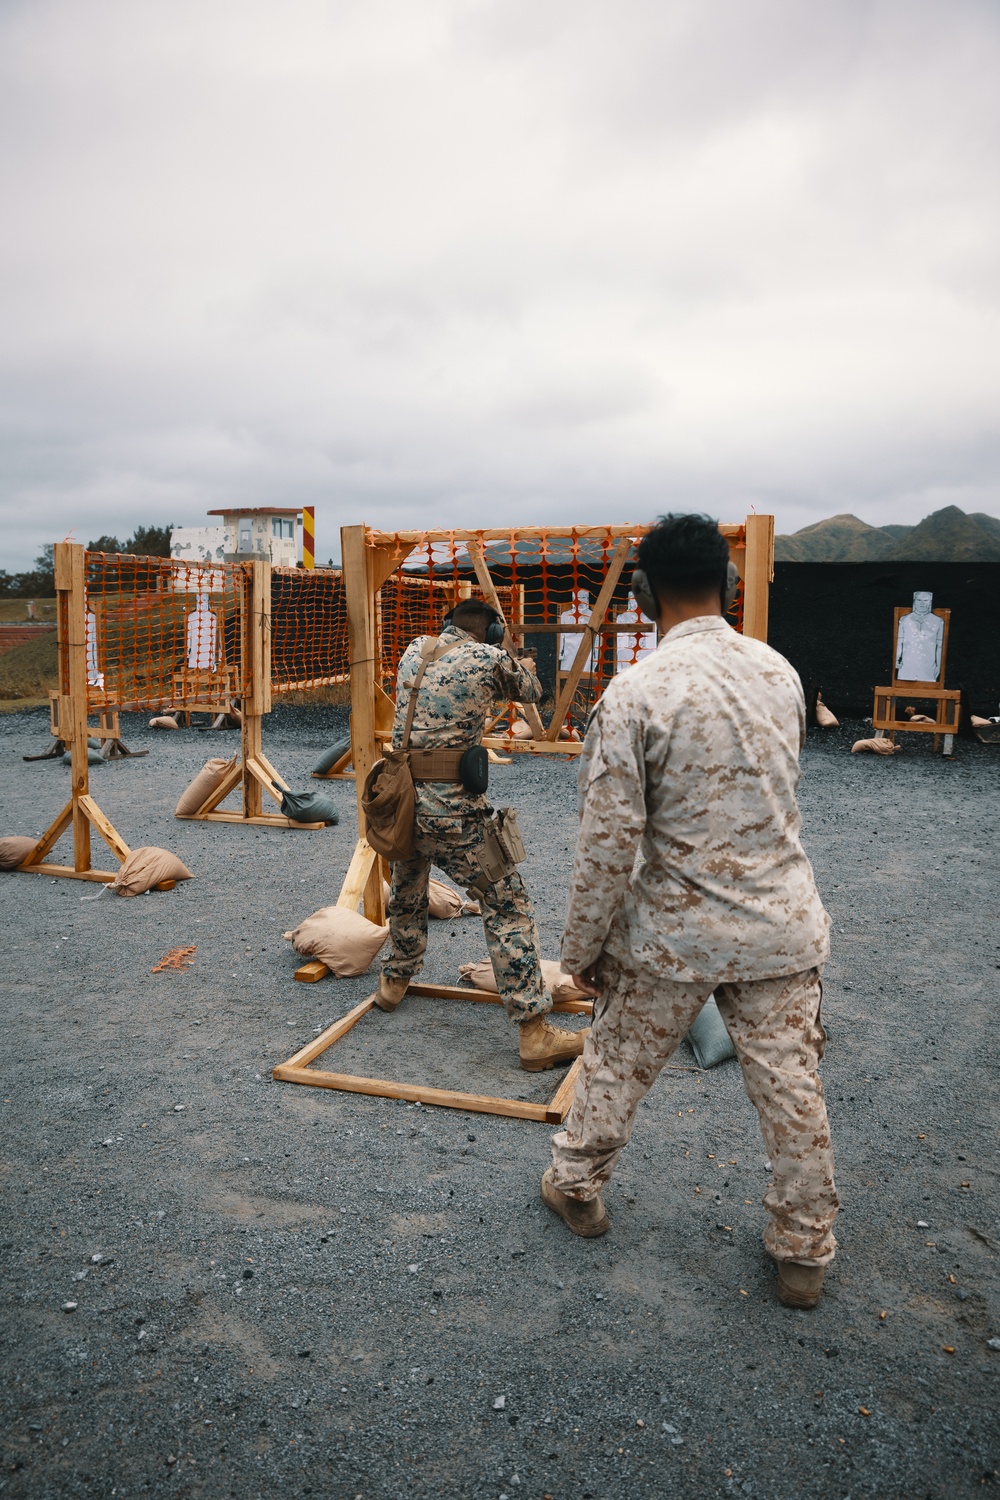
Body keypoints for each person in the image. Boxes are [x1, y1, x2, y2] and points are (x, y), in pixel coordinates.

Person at [540, 513, 837, 1310]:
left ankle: (576, 1187)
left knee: (615, 1064)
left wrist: (579, 952)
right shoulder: (780, 673)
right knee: (791, 1087)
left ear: (641, 594)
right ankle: (803, 1253)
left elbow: (608, 842)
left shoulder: (636, 692)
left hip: (672, 931)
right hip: (781, 924)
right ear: (729, 586)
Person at [369, 598, 589, 1073]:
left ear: (448, 624)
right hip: (454, 812)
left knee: (408, 886)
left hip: (402, 802)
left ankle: (393, 982)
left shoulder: (415, 649)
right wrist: (518, 658)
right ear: (490, 633)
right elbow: (533, 690)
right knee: (507, 905)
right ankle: (534, 1033)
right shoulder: (490, 657)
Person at [896, 591, 943, 683]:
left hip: (928, 664)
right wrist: (897, 659)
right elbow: (899, 642)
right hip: (908, 664)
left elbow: (940, 646)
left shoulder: (938, 621)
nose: (922, 603)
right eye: (919, 600)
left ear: (930, 602)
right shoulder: (905, 620)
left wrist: (939, 665)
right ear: (915, 601)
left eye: (926, 600)